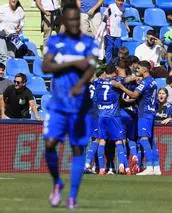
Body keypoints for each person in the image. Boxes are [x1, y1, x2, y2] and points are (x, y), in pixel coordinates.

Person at [42, 4, 98, 209]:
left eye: (77, 20)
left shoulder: (89, 42)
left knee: (77, 149)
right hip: (57, 105)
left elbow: (91, 68)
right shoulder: (55, 41)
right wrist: (73, 63)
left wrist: (79, 85)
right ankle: (57, 182)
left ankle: (72, 196)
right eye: (71, 20)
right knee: (49, 145)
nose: (75, 24)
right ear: (64, 22)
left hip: (79, 106)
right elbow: (45, 66)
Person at [112, 60, 161, 175]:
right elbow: (141, 97)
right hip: (151, 112)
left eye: (139, 68)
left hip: (144, 113)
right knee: (150, 141)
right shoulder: (153, 82)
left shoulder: (145, 82)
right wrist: (128, 100)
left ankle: (149, 167)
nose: (137, 70)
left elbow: (134, 94)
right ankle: (157, 167)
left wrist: (121, 87)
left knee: (143, 139)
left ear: (145, 69)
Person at [94, 64, 130, 175]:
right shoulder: (116, 81)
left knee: (101, 141)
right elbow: (129, 79)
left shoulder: (97, 82)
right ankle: (125, 167)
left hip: (101, 115)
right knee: (119, 141)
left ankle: (100, 169)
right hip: (113, 115)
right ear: (114, 72)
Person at [0, 0, 25, 64]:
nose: (13, 0)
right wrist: (3, 29)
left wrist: (19, 28)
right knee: (2, 55)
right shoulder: (2, 8)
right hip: (2, 35)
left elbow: (22, 22)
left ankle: (9, 72)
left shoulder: (20, 10)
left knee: (11, 56)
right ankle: (3, 73)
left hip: (13, 36)